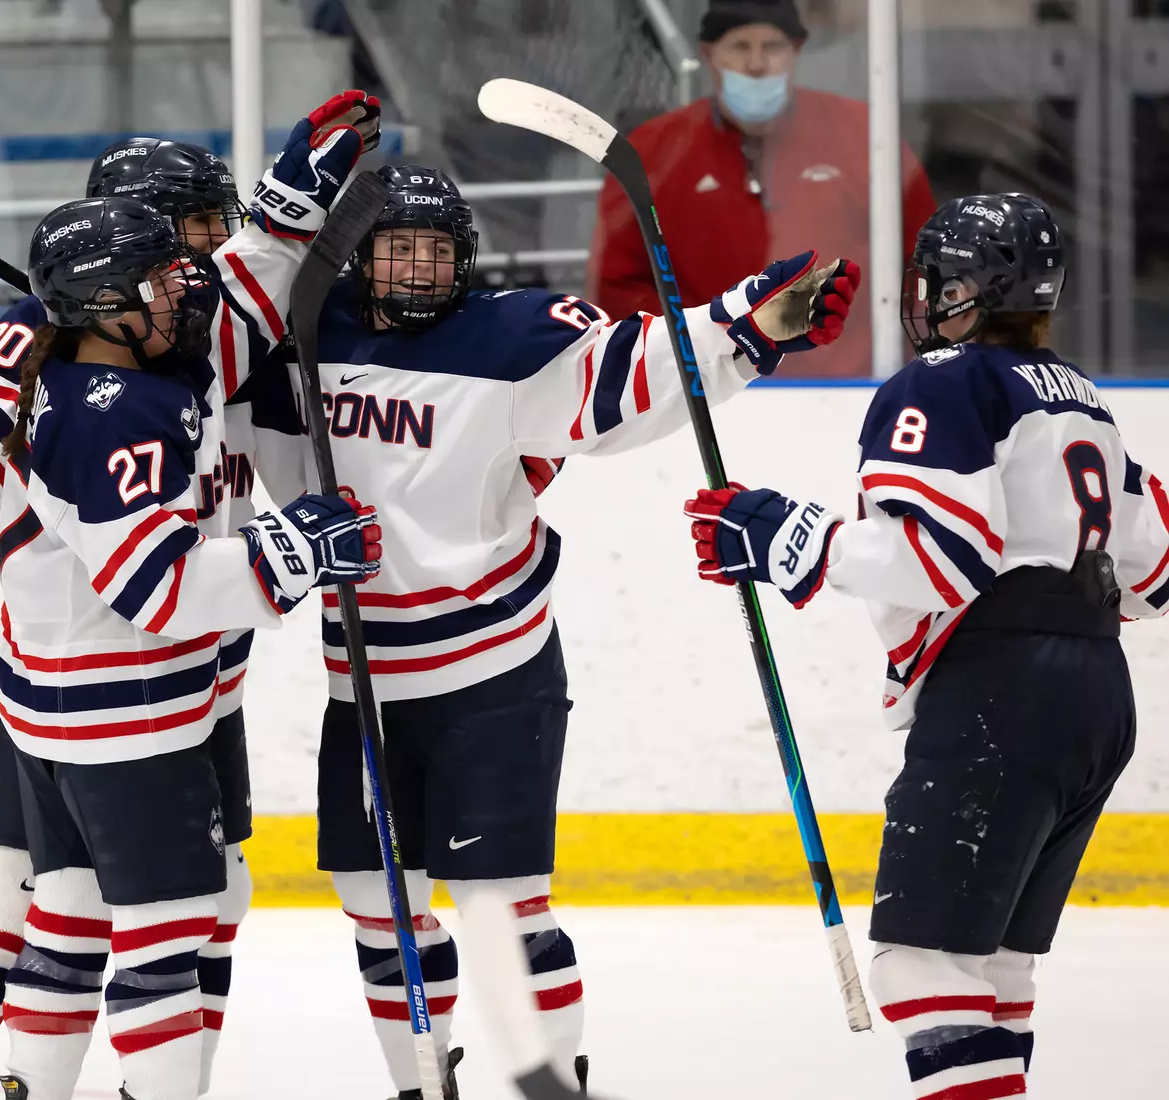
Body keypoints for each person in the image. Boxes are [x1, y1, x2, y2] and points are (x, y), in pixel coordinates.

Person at [249, 163, 859, 1098]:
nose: (417, 268)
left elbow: (631, 368)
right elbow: (199, 361)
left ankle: (552, 1086)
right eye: (398, 248)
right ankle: (422, 1085)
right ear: (359, 257)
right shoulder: (297, 340)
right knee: (377, 904)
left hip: (492, 671)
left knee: (501, 908)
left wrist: (744, 327)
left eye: (437, 250)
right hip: (361, 676)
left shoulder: (508, 340)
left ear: (467, 260)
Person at [0, 91, 381, 1100]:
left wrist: (293, 205)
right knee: (55, 892)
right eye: (195, 230)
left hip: (183, 672)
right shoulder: (50, 348)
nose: (214, 251)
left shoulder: (175, 326)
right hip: (105, 674)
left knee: (178, 895)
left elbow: (258, 285)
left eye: (220, 229)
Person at [684, 193, 1169, 1100]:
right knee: (993, 971)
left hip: (1002, 692)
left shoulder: (943, 383)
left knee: (920, 969)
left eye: (938, 281)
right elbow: (1156, 576)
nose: (925, 298)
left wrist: (787, 535)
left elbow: (938, 558)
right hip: (1096, 693)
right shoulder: (1084, 398)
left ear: (968, 291)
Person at [585, 0, 933, 377]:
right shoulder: (656, 151)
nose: (755, 64)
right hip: (705, 388)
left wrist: (907, 359)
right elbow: (619, 283)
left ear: (795, 50)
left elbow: (921, 258)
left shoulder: (865, 136)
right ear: (709, 54)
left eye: (772, 46)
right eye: (739, 46)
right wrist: (696, 353)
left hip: (850, 386)